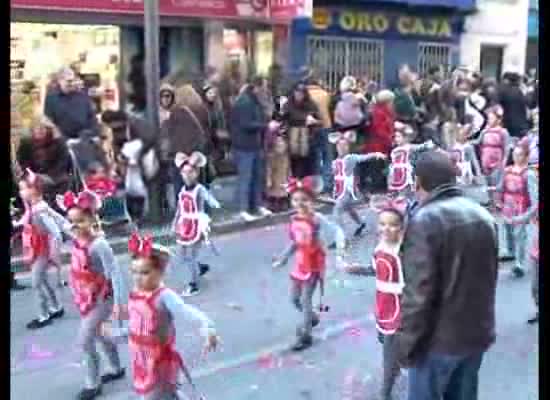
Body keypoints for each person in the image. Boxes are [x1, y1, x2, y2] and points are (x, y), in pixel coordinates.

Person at [395, 150, 499, 400]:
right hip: (475, 335)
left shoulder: (425, 221)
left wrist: (405, 346)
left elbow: (418, 295)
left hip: (437, 343)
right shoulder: (483, 214)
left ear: (418, 182)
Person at [107, 232, 219, 400]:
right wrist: (116, 335)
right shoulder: (137, 294)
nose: (137, 278)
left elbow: (186, 311)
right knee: (166, 395)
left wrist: (207, 326)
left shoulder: (164, 296)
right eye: (134, 272)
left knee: (156, 395)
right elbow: (137, 326)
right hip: (142, 359)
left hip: (160, 361)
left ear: (160, 272)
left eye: (144, 272)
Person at [58, 189, 127, 400]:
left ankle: (93, 383)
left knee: (85, 340)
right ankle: (116, 368)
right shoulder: (77, 236)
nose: (75, 226)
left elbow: (114, 273)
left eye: (80, 221)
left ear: (92, 218)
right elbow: (61, 222)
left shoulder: (99, 245)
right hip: (86, 298)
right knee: (100, 335)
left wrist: (119, 304)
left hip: (100, 300)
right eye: (72, 222)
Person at [345, 199, 408, 400]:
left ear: (401, 228)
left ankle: (385, 392)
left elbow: (416, 279)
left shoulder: (404, 251)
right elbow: (375, 269)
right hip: (382, 303)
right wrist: (357, 269)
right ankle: (401, 362)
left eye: (392, 225)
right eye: (382, 224)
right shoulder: (380, 247)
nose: (386, 229)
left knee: (388, 352)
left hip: (401, 304)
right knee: (384, 339)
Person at [272, 176, 345, 351]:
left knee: (305, 300)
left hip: (313, 263)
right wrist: (283, 258)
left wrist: (340, 252)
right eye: (296, 200)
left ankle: (306, 336)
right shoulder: (294, 219)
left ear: (312, 201)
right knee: (294, 299)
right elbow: (294, 242)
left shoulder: (316, 218)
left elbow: (336, 231)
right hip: (300, 264)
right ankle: (311, 317)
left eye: (304, 200)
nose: (300, 203)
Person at [13, 169, 67, 329]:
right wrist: (19, 223)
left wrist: (54, 249)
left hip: (41, 250)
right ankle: (56, 307)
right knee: (42, 280)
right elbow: (57, 219)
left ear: (35, 190)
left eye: (23, 188)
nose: (20, 192)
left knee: (36, 283)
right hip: (37, 248)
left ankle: (43, 315)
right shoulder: (35, 207)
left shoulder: (39, 210)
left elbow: (55, 232)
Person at [172, 152, 221, 297]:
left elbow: (209, 199)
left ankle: (194, 285)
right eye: (184, 172)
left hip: (196, 225)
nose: (187, 175)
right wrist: (174, 222)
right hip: (185, 224)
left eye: (190, 172)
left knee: (190, 256)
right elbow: (180, 208)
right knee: (182, 254)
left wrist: (215, 204)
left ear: (196, 173)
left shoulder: (199, 189)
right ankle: (200, 268)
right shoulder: (182, 191)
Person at [230, 76, 273, 222]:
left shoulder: (253, 101)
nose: (265, 90)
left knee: (256, 177)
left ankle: (256, 206)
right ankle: (243, 209)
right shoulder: (244, 102)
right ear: (257, 87)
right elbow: (246, 124)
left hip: (254, 144)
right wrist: (265, 125)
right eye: (264, 87)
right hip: (244, 145)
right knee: (246, 177)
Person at [328, 131, 386, 239]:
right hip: (340, 191)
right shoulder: (335, 162)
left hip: (347, 191)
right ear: (336, 147)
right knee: (349, 208)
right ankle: (361, 223)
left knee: (337, 211)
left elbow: (364, 157)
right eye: (339, 146)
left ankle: (341, 238)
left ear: (348, 147)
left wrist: (377, 154)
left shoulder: (351, 158)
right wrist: (333, 190)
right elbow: (335, 178)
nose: (342, 148)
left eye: (345, 145)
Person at [495, 138, 538, 278]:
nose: (516, 157)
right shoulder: (508, 171)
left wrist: (527, 214)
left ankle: (519, 263)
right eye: (515, 154)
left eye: (519, 155)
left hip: (521, 207)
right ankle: (510, 251)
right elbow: (501, 187)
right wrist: (498, 200)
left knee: (520, 235)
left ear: (526, 157)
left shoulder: (529, 174)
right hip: (507, 205)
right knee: (508, 231)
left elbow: (535, 199)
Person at [16, 116, 72, 206]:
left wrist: (47, 177)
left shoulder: (59, 143)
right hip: (32, 174)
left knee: (63, 181)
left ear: (48, 130)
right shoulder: (26, 143)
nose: (39, 131)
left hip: (55, 175)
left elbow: (62, 164)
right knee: (23, 183)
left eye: (43, 128)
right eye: (37, 128)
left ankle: (57, 205)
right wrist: (30, 174)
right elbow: (23, 162)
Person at [44, 67, 99, 140]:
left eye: (73, 80)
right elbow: (47, 119)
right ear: (60, 81)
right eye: (69, 81)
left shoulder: (83, 96)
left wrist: (92, 134)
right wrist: (55, 130)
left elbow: (92, 117)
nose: (72, 84)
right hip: (63, 141)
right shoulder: (51, 98)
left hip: (85, 139)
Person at [388, 122, 434, 199]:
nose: (396, 139)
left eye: (399, 137)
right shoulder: (394, 150)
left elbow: (420, 147)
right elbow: (392, 164)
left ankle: (407, 200)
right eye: (395, 137)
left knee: (407, 191)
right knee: (397, 190)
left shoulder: (409, 147)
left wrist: (427, 144)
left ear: (405, 137)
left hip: (407, 174)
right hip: (396, 174)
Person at [286, 83, 322, 178]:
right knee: (294, 162)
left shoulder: (311, 104)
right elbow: (286, 116)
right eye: (297, 92)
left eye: (301, 93)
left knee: (306, 164)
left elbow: (318, 120)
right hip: (292, 138)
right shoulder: (289, 104)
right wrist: (305, 118)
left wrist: (314, 122)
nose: (299, 95)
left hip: (307, 139)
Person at [363, 90, 395, 192]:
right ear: (387, 101)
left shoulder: (382, 111)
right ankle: (376, 188)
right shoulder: (379, 112)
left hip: (380, 144)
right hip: (377, 145)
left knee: (379, 167)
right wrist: (390, 140)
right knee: (377, 167)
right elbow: (379, 130)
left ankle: (379, 186)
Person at [499, 72, 529, 139]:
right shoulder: (520, 91)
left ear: (506, 80)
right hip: (521, 126)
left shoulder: (503, 91)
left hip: (508, 125)